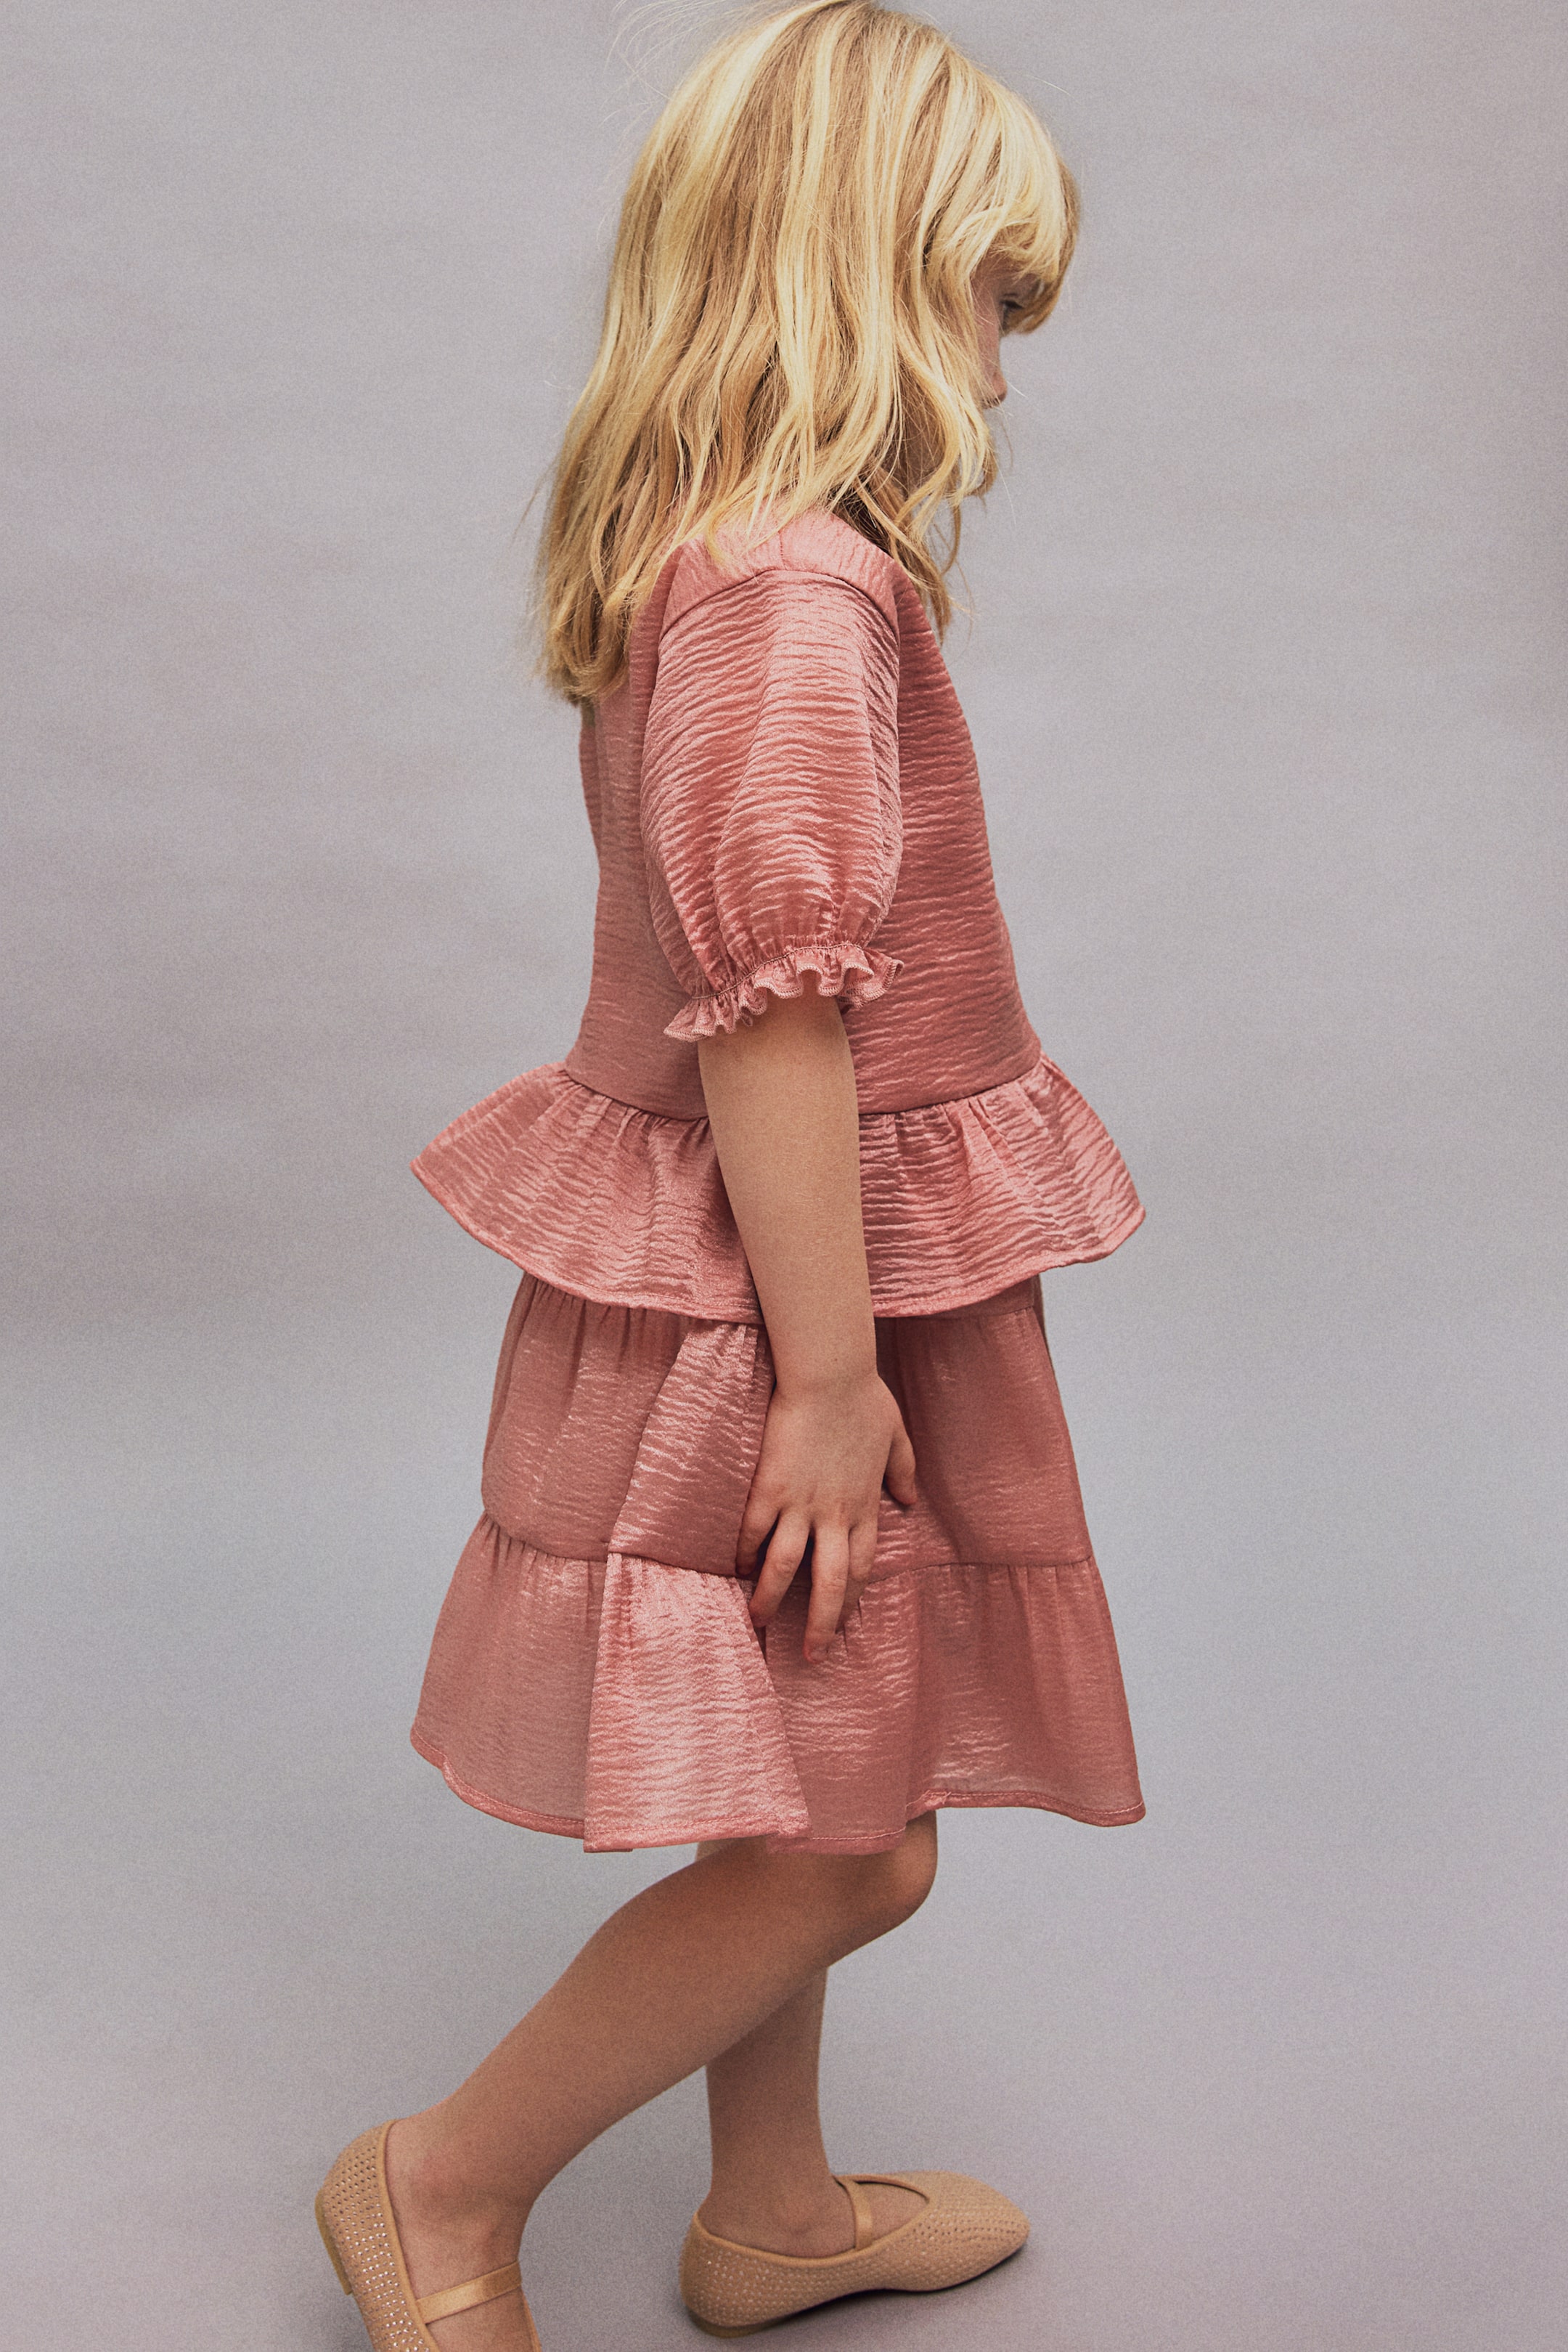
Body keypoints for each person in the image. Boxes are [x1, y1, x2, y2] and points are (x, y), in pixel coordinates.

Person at [315, 5, 1146, 2344]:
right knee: (854, 1848)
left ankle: (771, 2208)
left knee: (804, 1769)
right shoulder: (793, 595)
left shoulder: (731, 559)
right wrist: (832, 1380)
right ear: (863, 262)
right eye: (990, 295)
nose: (1004, 364)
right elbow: (773, 1009)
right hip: (783, 1297)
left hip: (778, 1276)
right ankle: (439, 2185)